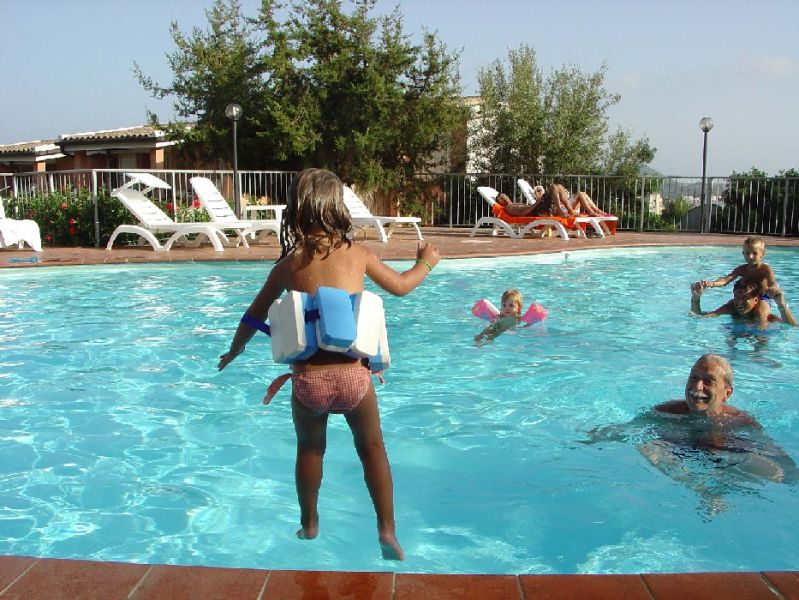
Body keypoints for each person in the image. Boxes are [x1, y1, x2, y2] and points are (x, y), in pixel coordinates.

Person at [217, 168, 441, 561]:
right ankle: (387, 530)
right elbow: (402, 286)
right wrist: (425, 263)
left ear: (296, 210)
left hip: (309, 383)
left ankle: (309, 523)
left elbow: (253, 316)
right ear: (337, 207)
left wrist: (234, 351)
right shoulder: (359, 254)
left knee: (310, 449)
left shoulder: (287, 266)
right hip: (354, 379)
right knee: (372, 449)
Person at [585, 354, 798, 509]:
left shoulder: (740, 422)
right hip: (680, 454)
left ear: (727, 393)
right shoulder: (667, 411)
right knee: (648, 446)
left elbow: (774, 453)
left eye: (708, 381)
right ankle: (705, 491)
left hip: (728, 455)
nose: (697, 387)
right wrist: (599, 435)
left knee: (775, 473)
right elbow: (632, 428)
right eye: (693, 378)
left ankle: (716, 489)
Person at [690, 278, 796, 328]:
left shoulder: (766, 317)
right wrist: (696, 297)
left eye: (745, 298)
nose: (740, 302)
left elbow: (793, 327)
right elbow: (698, 317)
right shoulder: (731, 308)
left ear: (756, 300)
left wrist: (781, 304)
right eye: (736, 297)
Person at [699, 236, 777, 297]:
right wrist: (711, 284)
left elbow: (772, 283)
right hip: (745, 297)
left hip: (762, 297)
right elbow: (726, 280)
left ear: (762, 254)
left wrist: (773, 288)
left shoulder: (765, 269)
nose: (750, 256)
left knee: (761, 310)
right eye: (747, 253)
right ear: (743, 253)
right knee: (728, 307)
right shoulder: (741, 269)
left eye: (754, 253)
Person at [532, 185, 606, 217]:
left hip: (564, 207)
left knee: (582, 193)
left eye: (540, 190)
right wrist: (537, 201)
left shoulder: (547, 198)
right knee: (553, 186)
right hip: (559, 210)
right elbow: (529, 210)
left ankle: (596, 210)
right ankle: (591, 211)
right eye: (537, 191)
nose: (539, 192)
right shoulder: (538, 202)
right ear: (535, 193)